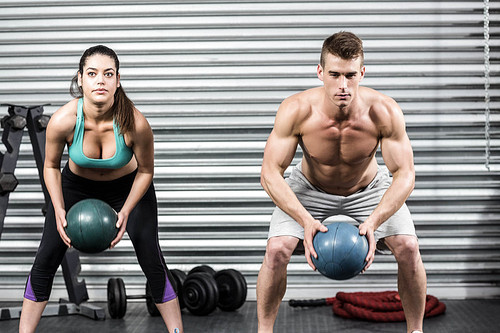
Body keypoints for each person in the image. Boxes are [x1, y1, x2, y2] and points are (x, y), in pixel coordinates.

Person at [257, 31, 427, 333]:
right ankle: (264, 331)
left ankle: (416, 330)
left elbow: (405, 174)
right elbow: (270, 173)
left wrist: (374, 221)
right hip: (310, 188)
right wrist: (305, 220)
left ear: (362, 72)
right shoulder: (297, 110)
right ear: (320, 72)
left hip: (369, 188)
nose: (343, 86)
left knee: (409, 248)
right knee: (276, 250)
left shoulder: (383, 111)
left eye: (350, 75)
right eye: (334, 74)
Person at [19, 45, 183, 333]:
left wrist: (126, 211)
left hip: (128, 188)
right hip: (75, 187)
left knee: (152, 259)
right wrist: (57, 207)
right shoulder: (64, 121)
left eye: (108, 74)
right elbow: (50, 167)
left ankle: (176, 331)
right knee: (46, 257)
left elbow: (146, 171)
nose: (100, 81)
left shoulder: (136, 123)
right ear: (80, 78)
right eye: (92, 73)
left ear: (118, 80)